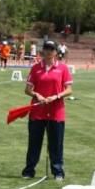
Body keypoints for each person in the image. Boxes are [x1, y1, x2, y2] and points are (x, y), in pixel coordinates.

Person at [22, 41, 73, 180]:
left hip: (56, 111)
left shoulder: (63, 68)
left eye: (51, 49)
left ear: (56, 52)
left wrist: (56, 96)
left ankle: (57, 172)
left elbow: (69, 90)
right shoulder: (35, 68)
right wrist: (36, 95)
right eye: (46, 49)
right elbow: (27, 90)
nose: (49, 52)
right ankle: (29, 171)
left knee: (56, 144)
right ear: (42, 51)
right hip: (37, 111)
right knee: (34, 143)